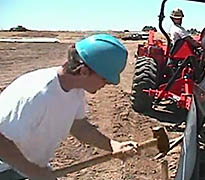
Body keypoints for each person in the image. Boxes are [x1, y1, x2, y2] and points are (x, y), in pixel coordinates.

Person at [0, 34, 137, 180]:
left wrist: (113, 145)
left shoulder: (74, 89)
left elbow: (79, 127)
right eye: (105, 79)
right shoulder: (38, 94)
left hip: (26, 167)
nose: (107, 84)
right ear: (84, 71)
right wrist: (34, 171)